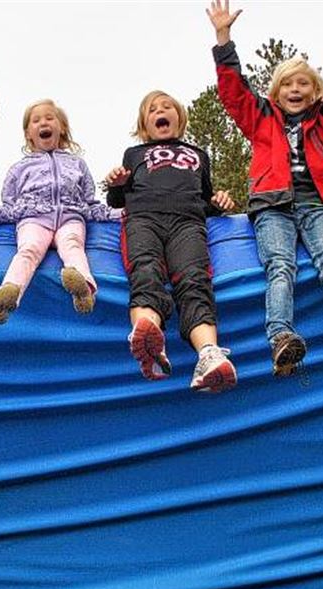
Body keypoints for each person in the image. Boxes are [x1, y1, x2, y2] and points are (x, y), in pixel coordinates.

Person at [207, 0, 323, 379]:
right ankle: (281, 337)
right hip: (274, 206)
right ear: (276, 91)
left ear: (315, 90)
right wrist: (223, 40)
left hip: (319, 204)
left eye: (303, 83)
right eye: (287, 83)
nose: (295, 89)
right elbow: (234, 92)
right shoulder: (261, 119)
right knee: (279, 267)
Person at [104, 91, 237, 393]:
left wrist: (220, 202)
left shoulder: (198, 154)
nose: (160, 111)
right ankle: (148, 330)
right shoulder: (134, 153)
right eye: (152, 110)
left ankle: (208, 354)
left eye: (167, 107)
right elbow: (117, 200)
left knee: (194, 280)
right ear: (144, 126)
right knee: (146, 270)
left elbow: (206, 198)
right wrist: (115, 184)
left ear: (179, 118)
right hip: (143, 218)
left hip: (187, 222)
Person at [0, 99, 120, 324]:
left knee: (72, 246)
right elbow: (9, 210)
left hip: (71, 217)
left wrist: (121, 213)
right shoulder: (19, 169)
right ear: (28, 134)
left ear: (61, 127)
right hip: (33, 219)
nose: (43, 122)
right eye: (36, 120)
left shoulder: (77, 165)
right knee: (28, 250)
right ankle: (8, 294)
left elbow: (91, 205)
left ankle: (84, 289)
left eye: (49, 118)